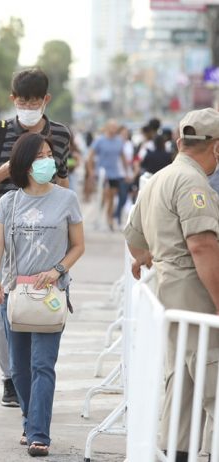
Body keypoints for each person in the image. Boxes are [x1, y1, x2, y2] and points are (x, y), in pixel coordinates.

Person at [124, 108, 219, 462]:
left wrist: (156, 256)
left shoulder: (159, 179)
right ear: (217, 148)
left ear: (180, 142)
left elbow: (134, 240)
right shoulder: (194, 184)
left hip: (168, 292)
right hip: (196, 292)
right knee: (211, 380)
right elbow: (202, 246)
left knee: (182, 385)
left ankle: (178, 453)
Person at [0, 68, 71, 408]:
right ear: (13, 99)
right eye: (23, 101)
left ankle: (35, 374)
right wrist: (9, 169)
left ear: (46, 100)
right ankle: (11, 377)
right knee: (4, 308)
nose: (28, 107)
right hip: (5, 229)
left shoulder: (60, 134)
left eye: (35, 101)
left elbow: (62, 179)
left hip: (46, 233)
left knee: (44, 302)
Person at [0, 132, 84, 458]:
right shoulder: (9, 202)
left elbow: (78, 245)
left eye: (48, 155)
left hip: (50, 295)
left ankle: (39, 434)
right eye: (39, 156)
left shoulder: (66, 199)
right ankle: (30, 420)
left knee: (43, 364)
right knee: (18, 368)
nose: (46, 161)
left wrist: (57, 270)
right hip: (14, 294)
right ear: (24, 163)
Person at [86, 120, 128, 231]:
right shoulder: (100, 140)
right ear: (107, 127)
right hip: (102, 173)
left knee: (111, 197)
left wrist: (127, 172)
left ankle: (109, 218)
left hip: (114, 173)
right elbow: (90, 156)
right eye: (111, 127)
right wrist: (91, 171)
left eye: (115, 127)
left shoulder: (119, 141)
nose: (113, 129)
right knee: (105, 195)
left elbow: (123, 157)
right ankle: (99, 216)